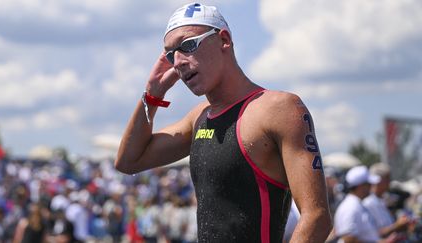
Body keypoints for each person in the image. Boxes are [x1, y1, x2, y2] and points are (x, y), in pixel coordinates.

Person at [115, 2, 332, 242]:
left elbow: (317, 217)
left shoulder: (277, 109)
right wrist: (152, 95)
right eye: (170, 54)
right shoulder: (199, 118)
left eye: (187, 46)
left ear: (224, 40)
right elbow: (128, 161)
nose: (177, 62)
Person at [334, 165, 398, 242]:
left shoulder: (357, 204)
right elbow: (349, 240)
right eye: (369, 184)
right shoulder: (350, 207)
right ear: (362, 186)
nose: (372, 187)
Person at [363, 163, 412, 239]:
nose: (389, 182)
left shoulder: (382, 200)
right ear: (379, 180)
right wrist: (397, 225)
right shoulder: (368, 203)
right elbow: (373, 234)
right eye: (387, 178)